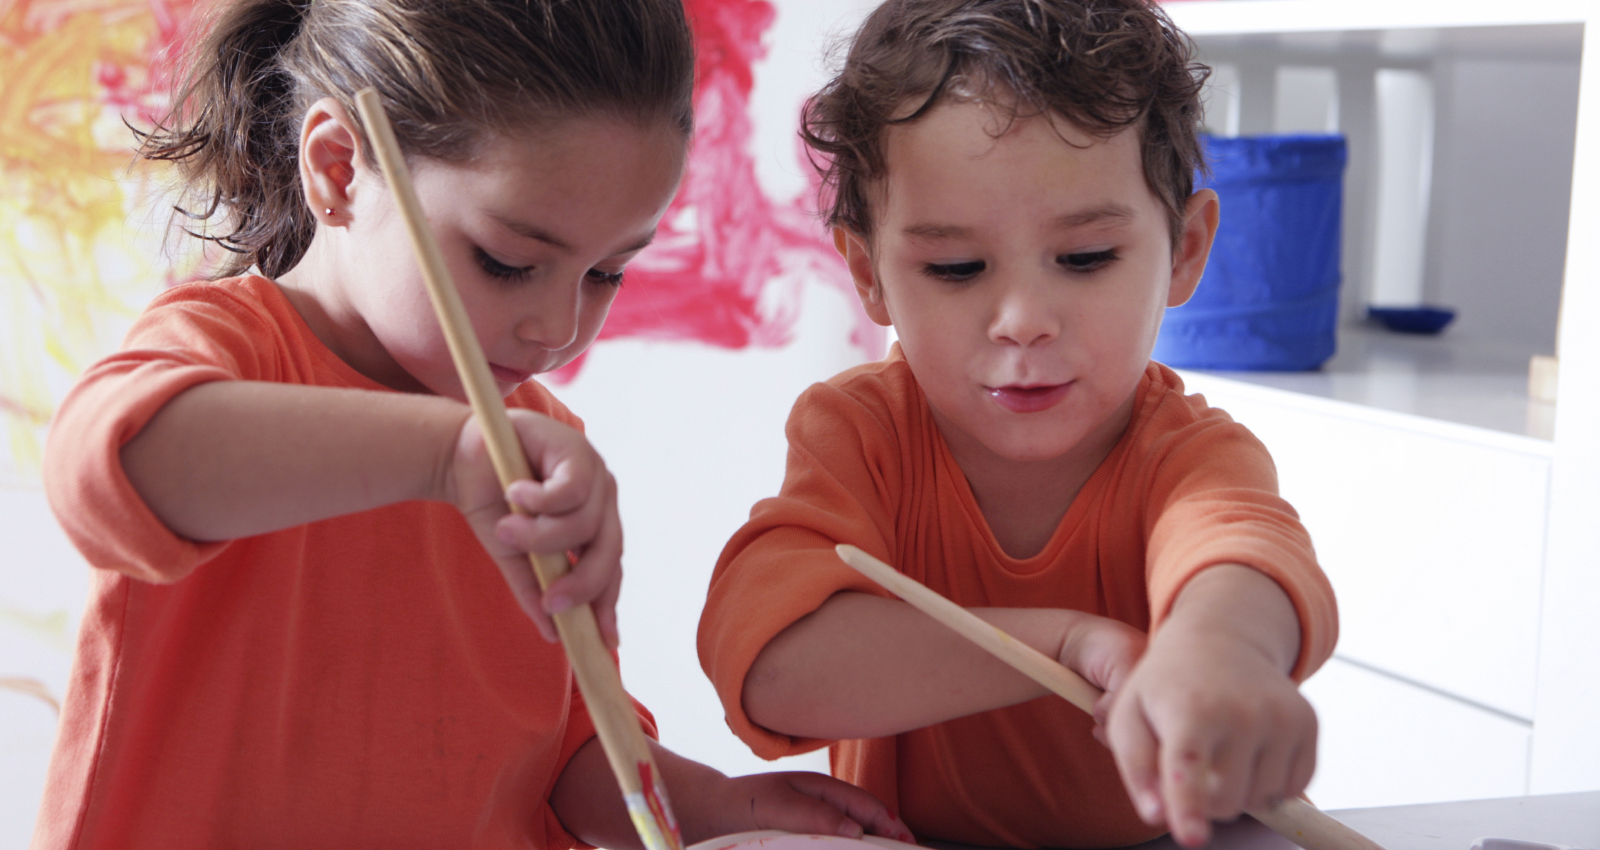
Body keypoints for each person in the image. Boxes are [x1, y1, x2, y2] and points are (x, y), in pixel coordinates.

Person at [35, 1, 914, 847]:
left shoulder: (536, 438)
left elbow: (561, 753)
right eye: (509, 262)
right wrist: (444, 457)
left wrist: (715, 805)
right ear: (340, 169)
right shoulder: (229, 350)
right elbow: (105, 471)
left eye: (607, 273)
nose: (559, 328)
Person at [696, 1, 1340, 847]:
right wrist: (1064, 644)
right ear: (870, 274)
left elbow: (1238, 558)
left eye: (1084, 259)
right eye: (957, 268)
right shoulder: (860, 435)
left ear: (1184, 251)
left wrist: (1221, 651)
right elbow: (772, 670)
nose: (1024, 320)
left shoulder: (1188, 453)